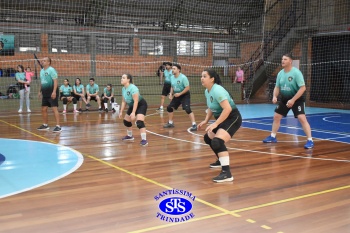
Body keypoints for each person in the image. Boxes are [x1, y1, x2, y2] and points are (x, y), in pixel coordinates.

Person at [198, 69, 242, 183]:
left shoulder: (218, 90)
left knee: (217, 141)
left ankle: (227, 173)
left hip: (232, 118)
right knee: (208, 138)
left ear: (212, 79)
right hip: (223, 119)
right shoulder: (207, 91)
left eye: (204, 76)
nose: (202, 78)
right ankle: (220, 160)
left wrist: (216, 124)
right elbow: (211, 108)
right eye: (201, 76)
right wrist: (206, 120)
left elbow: (228, 109)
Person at [262, 53, 314, 149]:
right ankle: (273, 137)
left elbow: (303, 88)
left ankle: (310, 140)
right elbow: (277, 87)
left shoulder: (296, 73)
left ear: (290, 61)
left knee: (302, 118)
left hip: (297, 99)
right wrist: (274, 96)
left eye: (285, 59)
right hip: (285, 99)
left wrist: (293, 100)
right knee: (276, 116)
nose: (283, 61)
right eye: (282, 59)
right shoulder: (280, 73)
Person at [163, 64, 197, 131]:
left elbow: (187, 88)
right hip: (177, 95)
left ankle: (194, 124)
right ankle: (170, 123)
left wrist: (180, 93)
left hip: (184, 95)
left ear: (179, 70)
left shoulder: (183, 77)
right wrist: (170, 94)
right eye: (172, 68)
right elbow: (172, 86)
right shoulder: (172, 77)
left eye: (174, 68)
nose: (172, 70)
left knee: (187, 109)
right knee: (169, 107)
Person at [119, 74, 148, 146]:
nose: (121, 79)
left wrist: (133, 112)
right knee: (126, 121)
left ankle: (144, 140)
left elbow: (136, 101)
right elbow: (123, 101)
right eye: (121, 78)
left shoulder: (133, 88)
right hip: (132, 106)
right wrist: (121, 111)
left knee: (139, 122)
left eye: (123, 78)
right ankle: (130, 136)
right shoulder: (123, 89)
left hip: (141, 104)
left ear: (128, 80)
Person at [37, 57, 61, 133]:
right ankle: (45, 125)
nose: (42, 62)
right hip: (45, 93)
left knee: (54, 109)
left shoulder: (51, 70)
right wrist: (39, 91)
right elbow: (42, 82)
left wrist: (54, 92)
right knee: (43, 109)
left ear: (48, 62)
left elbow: (55, 81)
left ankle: (58, 126)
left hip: (52, 92)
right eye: (42, 60)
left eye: (44, 61)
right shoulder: (41, 71)